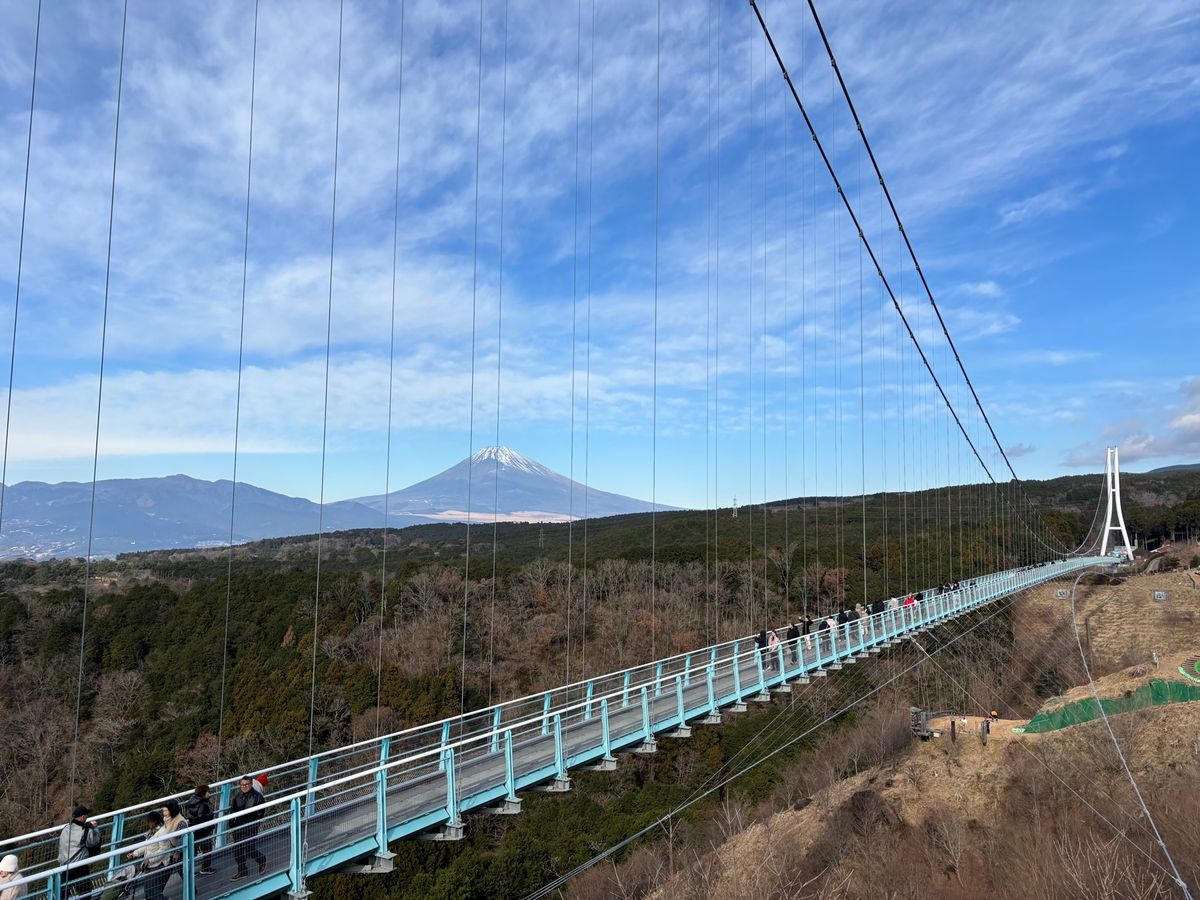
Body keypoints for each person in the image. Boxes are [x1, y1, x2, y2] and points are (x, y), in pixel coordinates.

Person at [58, 805, 102, 898]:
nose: (87, 817)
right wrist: (95, 828)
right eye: (86, 815)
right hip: (79, 867)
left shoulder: (66, 828)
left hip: (64, 867)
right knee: (85, 892)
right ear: (82, 817)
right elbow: (95, 841)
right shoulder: (85, 831)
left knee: (63, 894)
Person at [127, 811, 173, 900]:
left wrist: (149, 859)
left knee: (152, 892)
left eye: (148, 821)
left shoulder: (162, 832)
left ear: (153, 821)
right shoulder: (152, 832)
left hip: (159, 865)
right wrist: (134, 854)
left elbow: (163, 850)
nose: (147, 824)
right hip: (151, 865)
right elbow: (146, 847)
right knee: (149, 891)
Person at [229, 776, 267, 881]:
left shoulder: (258, 797)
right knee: (238, 850)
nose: (244, 787)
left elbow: (260, 814)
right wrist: (232, 823)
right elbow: (232, 811)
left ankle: (262, 860)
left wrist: (253, 825)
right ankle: (242, 871)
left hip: (250, 827)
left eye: (246, 785)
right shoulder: (237, 796)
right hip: (238, 827)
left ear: (251, 784)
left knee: (249, 849)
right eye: (242, 785)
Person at [184, 785, 216, 875]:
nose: (209, 793)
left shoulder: (191, 801)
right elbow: (201, 816)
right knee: (207, 849)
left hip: (193, 829)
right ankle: (206, 868)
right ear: (203, 793)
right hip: (203, 830)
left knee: (192, 852)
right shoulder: (203, 804)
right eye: (207, 792)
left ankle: (190, 871)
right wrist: (210, 814)